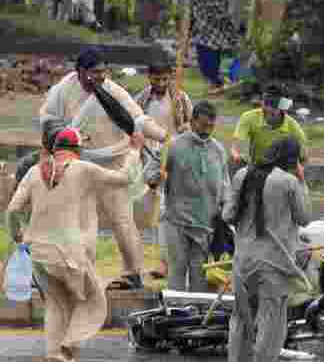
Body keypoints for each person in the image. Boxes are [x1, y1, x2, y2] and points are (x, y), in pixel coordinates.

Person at [7, 127, 142, 362]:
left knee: (56, 308)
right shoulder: (84, 169)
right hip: (69, 253)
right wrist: (133, 152)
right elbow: (124, 179)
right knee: (92, 302)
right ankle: (68, 347)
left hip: (39, 254)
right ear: (78, 151)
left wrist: (17, 234)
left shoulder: (35, 172)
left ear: (56, 149)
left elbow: (13, 209)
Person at [40, 48, 168, 290]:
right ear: (80, 72)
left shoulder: (113, 91)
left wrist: (165, 137)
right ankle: (74, 273)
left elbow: (138, 120)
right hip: (76, 163)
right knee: (75, 221)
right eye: (94, 73)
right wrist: (61, 137)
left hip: (112, 163)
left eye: (103, 72)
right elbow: (47, 119)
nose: (100, 77)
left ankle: (133, 273)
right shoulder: (63, 90)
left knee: (122, 220)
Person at [222, 136, 311, 362]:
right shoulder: (288, 182)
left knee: (240, 322)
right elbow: (304, 217)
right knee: (270, 327)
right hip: (274, 264)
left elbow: (228, 215)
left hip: (243, 261)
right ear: (292, 158)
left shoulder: (242, 175)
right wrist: (302, 179)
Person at [147, 101, 229, 293]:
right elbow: (149, 175)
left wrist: (226, 213)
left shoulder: (218, 150)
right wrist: (157, 176)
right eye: (202, 125)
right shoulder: (173, 146)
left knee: (200, 273)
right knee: (177, 270)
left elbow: (225, 185)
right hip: (177, 222)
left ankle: (197, 316)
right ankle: (175, 314)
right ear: (192, 122)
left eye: (211, 126)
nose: (206, 130)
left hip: (206, 224)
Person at [135, 58, 195, 278]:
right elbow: (132, 127)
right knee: (145, 212)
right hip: (148, 160)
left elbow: (191, 125)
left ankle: (164, 263)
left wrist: (185, 129)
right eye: (156, 79)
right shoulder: (140, 101)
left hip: (173, 159)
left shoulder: (180, 99)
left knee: (166, 212)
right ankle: (139, 260)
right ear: (149, 77)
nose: (161, 82)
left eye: (164, 78)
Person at [190, 0, 240, 96]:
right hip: (203, 32)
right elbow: (197, 12)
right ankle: (215, 82)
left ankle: (217, 83)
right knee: (205, 64)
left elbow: (224, 11)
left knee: (215, 62)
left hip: (218, 32)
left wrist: (228, 27)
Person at [231, 88, 308, 166]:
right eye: (267, 104)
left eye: (274, 106)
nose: (270, 110)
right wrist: (236, 156)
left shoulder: (292, 125)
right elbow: (235, 147)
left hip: (281, 169)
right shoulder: (248, 117)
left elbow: (304, 154)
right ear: (262, 103)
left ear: (283, 107)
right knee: (232, 161)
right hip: (256, 166)